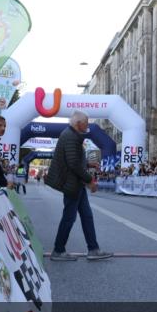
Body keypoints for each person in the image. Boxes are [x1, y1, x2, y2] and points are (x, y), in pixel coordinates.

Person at [45, 110, 112, 261]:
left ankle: (93, 249)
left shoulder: (71, 135)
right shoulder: (71, 137)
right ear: (78, 124)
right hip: (72, 184)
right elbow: (73, 164)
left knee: (86, 216)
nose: (87, 125)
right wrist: (90, 181)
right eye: (86, 123)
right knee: (69, 218)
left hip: (76, 184)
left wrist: (88, 163)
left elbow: (73, 159)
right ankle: (58, 250)